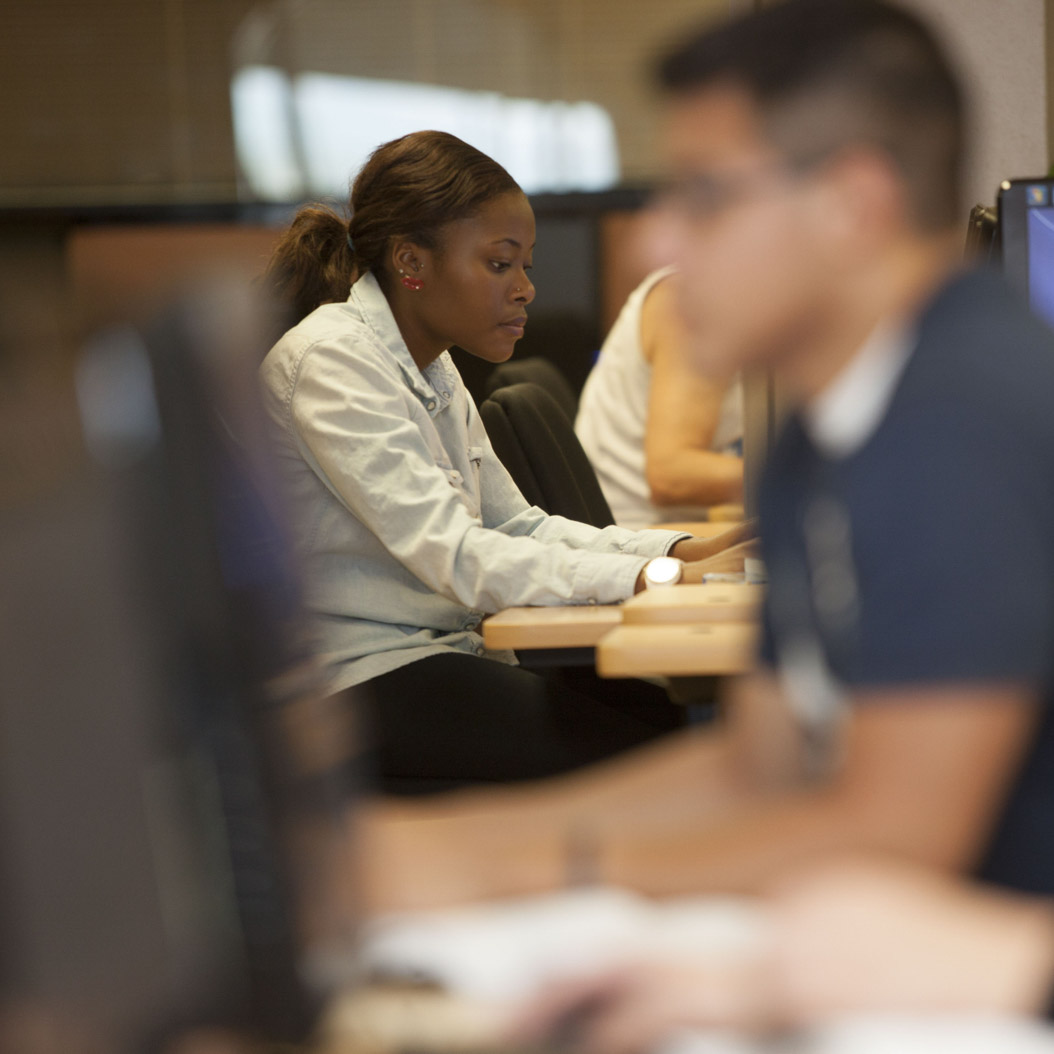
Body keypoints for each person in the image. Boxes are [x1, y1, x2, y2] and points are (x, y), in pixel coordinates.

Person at [357, 0, 1054, 915]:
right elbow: (754, 765)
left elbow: (897, 833)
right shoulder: (818, 432)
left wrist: (497, 869)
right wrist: (428, 848)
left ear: (854, 203)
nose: (657, 240)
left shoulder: (969, 414)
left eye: (706, 194)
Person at [257, 130, 754, 792]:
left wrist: (688, 550)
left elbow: (519, 527)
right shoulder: (332, 362)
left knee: (672, 730)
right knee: (660, 766)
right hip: (360, 683)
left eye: (527, 265)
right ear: (411, 262)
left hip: (446, 654)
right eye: (500, 264)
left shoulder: (431, 367)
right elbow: (460, 556)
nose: (525, 289)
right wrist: (656, 577)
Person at [576, 267, 744, 529]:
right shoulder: (692, 303)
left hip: (671, 522)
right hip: (627, 533)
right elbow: (672, 475)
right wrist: (803, 475)